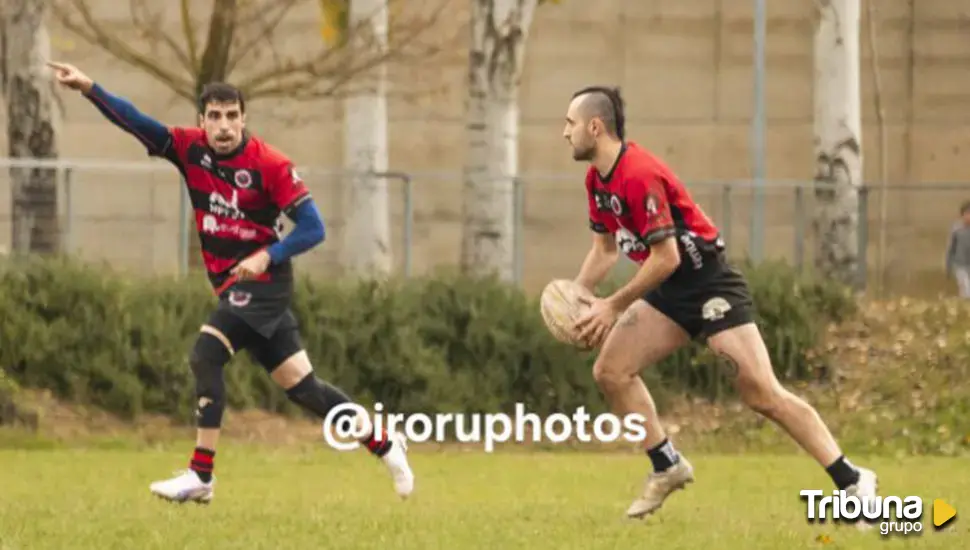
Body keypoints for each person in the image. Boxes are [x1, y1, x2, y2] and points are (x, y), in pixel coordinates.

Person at [47, 61, 414, 504]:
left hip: (266, 283)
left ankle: (201, 476)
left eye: (232, 116)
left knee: (205, 355)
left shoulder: (270, 164)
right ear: (202, 122)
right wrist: (89, 86)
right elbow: (135, 120)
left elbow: (313, 228)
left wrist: (266, 255)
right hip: (233, 287)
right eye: (214, 116)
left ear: (244, 118)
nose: (223, 126)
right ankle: (384, 443)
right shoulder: (188, 149)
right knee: (304, 387)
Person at [562, 86, 877, 525]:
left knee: (761, 392)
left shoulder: (638, 173)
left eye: (570, 123)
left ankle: (853, 482)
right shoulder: (597, 180)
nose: (565, 133)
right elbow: (606, 250)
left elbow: (668, 256)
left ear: (595, 127)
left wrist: (612, 305)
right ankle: (666, 464)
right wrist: (576, 297)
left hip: (708, 285)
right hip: (667, 290)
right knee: (610, 371)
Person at [945, 201, 970, 298]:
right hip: (960, 265)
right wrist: (948, 266)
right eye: (967, 214)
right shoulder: (957, 230)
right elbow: (951, 248)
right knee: (966, 291)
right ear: (962, 215)